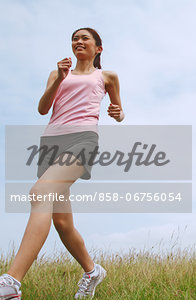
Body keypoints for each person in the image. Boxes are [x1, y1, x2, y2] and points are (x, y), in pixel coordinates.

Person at [0, 27, 124, 299]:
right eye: (75, 38)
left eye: (85, 38)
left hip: (82, 140)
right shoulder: (57, 74)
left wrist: (118, 112)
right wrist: (59, 79)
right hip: (50, 144)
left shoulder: (106, 76)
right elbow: (43, 108)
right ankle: (92, 272)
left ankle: (11, 283)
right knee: (62, 223)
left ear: (98, 48)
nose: (78, 42)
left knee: (39, 193)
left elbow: (118, 112)